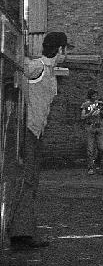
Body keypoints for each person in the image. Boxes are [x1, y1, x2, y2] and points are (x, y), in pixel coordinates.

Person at [8, 31, 70, 250]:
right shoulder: (39, 68)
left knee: (30, 182)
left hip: (34, 132)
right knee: (27, 181)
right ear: (60, 49)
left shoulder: (50, 71)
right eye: (66, 48)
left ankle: (21, 231)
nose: (66, 53)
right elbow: (16, 65)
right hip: (27, 131)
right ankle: (20, 234)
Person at [80, 89, 103, 175]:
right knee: (90, 149)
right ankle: (90, 167)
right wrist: (92, 111)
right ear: (90, 96)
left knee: (101, 148)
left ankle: (97, 164)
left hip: (99, 127)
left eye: (96, 95)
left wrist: (101, 111)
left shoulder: (100, 104)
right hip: (90, 127)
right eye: (93, 95)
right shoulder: (85, 104)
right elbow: (82, 117)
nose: (95, 97)